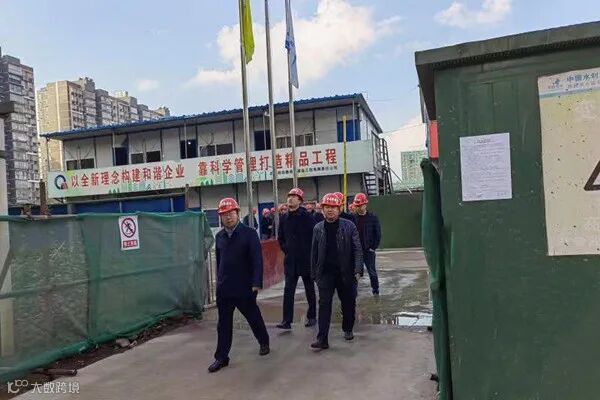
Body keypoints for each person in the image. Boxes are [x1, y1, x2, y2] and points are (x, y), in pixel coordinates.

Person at [208, 198, 270, 373]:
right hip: (225, 288)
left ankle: (264, 341)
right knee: (223, 324)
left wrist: (256, 282)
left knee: (253, 317)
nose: (228, 217)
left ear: (237, 213)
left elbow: (257, 260)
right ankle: (221, 357)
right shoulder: (220, 237)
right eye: (224, 214)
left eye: (231, 213)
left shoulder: (249, 234)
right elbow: (220, 261)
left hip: (245, 287)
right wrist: (219, 282)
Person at [310, 193, 363, 349]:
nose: (330, 210)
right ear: (322, 210)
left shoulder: (349, 226)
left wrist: (358, 269)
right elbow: (314, 252)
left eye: (333, 207)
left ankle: (348, 328)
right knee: (324, 304)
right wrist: (314, 273)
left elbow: (357, 249)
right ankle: (322, 339)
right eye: (327, 207)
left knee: (348, 303)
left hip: (346, 272)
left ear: (339, 209)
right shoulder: (318, 228)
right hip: (325, 273)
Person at [277, 188, 317, 329]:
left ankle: (312, 317)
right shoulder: (284, 218)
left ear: (300, 201)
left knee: (309, 289)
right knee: (288, 291)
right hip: (291, 261)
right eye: (289, 196)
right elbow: (280, 238)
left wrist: (310, 253)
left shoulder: (307, 217)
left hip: (305, 259)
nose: (290, 199)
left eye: (294, 197)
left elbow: (314, 236)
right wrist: (286, 249)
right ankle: (286, 321)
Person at [353, 193, 382, 296]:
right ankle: (353, 292)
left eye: (361, 205)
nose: (359, 207)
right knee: (355, 273)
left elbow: (377, 234)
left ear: (365, 205)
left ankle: (375, 290)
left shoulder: (372, 217)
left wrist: (373, 248)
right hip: (356, 251)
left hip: (368, 250)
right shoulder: (353, 218)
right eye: (357, 206)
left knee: (372, 272)